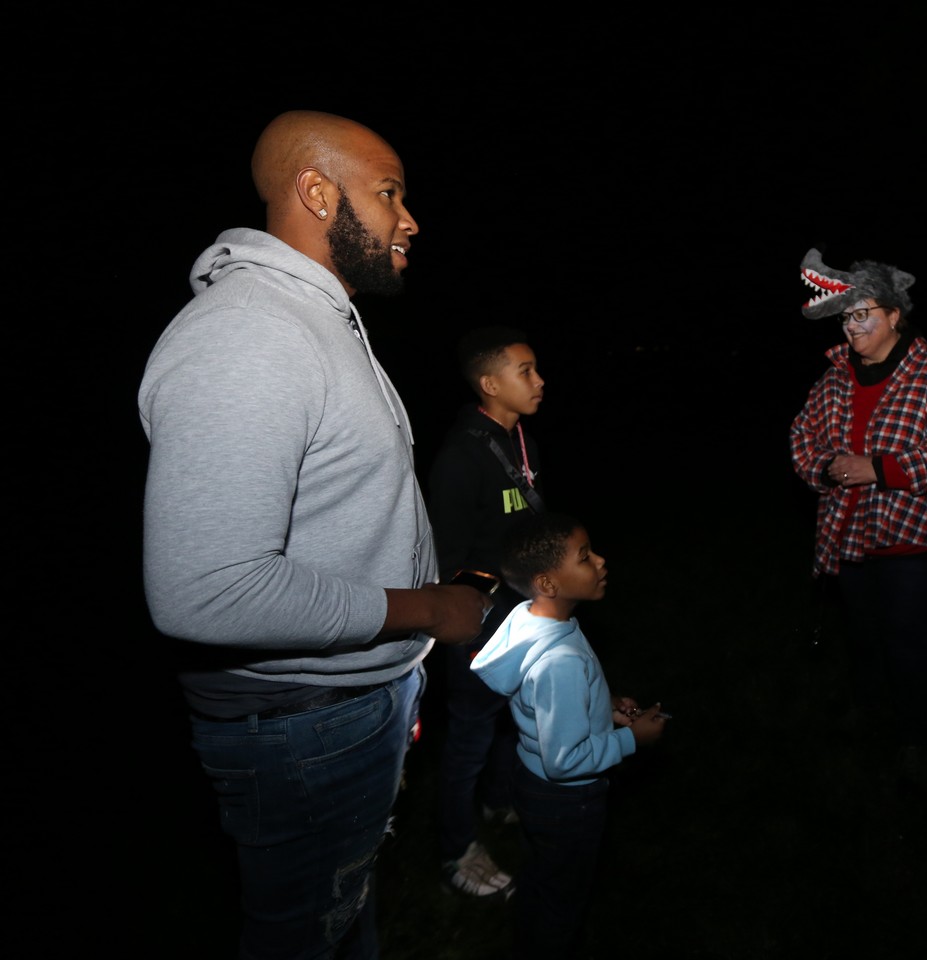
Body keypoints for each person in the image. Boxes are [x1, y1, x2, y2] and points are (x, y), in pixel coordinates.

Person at [138, 110, 492, 959]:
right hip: (303, 729)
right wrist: (429, 610)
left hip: (339, 710)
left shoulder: (312, 318)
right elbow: (205, 591)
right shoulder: (250, 336)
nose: (410, 219)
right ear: (316, 192)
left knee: (342, 915)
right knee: (305, 936)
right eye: (389, 193)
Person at [789, 249, 927, 782]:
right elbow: (802, 435)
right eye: (846, 317)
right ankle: (868, 711)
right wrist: (825, 469)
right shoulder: (835, 377)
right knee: (863, 634)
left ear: (894, 315)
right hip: (849, 533)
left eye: (863, 313)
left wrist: (875, 468)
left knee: (904, 636)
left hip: (915, 534)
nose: (852, 326)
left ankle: (915, 737)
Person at [472, 511, 666, 959]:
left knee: (542, 875)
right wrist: (633, 739)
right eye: (584, 556)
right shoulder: (559, 661)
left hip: (530, 782)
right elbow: (565, 760)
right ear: (548, 583)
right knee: (563, 899)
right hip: (566, 801)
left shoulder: (531, 620)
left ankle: (528, 935)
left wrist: (603, 706)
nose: (600, 561)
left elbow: (545, 706)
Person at [426, 325, 548, 898]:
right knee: (470, 736)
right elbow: (447, 559)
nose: (539, 380)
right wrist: (482, 613)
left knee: (515, 719)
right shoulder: (461, 457)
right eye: (526, 371)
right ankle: (456, 849)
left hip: (525, 613)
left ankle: (500, 803)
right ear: (490, 384)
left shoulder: (522, 441)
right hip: (483, 623)